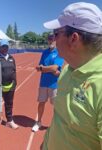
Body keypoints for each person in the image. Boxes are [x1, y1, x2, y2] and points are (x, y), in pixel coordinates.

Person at [42, 2, 102, 150]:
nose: (54, 40)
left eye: (56, 34)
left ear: (73, 38)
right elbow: (60, 119)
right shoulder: (68, 70)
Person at [32, 33, 64, 132]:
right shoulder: (44, 52)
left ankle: (57, 124)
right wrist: (50, 69)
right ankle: (39, 122)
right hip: (43, 83)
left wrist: (43, 68)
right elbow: (39, 67)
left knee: (56, 105)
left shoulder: (59, 52)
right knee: (41, 103)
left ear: (56, 40)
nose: (51, 40)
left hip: (54, 84)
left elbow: (55, 68)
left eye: (53, 38)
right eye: (49, 39)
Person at [0, 39, 19, 129]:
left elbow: (14, 70)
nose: (5, 48)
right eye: (3, 46)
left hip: (10, 86)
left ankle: (9, 121)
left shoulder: (11, 58)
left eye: (6, 46)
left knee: (9, 103)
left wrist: (15, 82)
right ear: (0, 47)